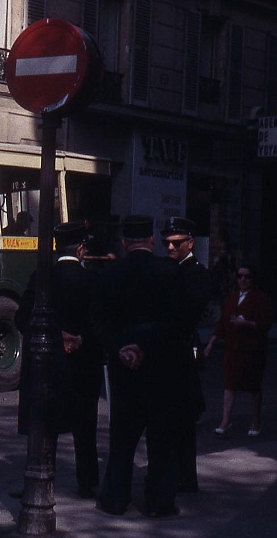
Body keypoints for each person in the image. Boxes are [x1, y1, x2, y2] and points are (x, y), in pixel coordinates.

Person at [97, 215, 184, 517]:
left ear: (123, 243)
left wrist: (121, 349)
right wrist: (145, 347)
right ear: (150, 240)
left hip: (125, 368)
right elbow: (176, 322)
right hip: (159, 365)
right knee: (161, 438)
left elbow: (100, 323)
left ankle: (115, 498)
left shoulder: (111, 273)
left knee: (122, 438)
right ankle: (160, 501)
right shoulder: (170, 271)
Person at [15, 221, 104, 498]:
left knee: (45, 423)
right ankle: (87, 482)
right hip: (81, 364)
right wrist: (79, 339)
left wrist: (56, 335)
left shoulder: (41, 278)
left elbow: (21, 318)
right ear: (81, 249)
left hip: (49, 365)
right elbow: (100, 324)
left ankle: (42, 476)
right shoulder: (92, 280)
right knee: (85, 425)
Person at [161, 217, 211, 492]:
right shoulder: (169, 269)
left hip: (182, 351)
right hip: (169, 352)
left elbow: (188, 313)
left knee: (183, 419)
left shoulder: (195, 272)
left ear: (190, 243)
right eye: (166, 241)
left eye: (176, 242)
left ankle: (185, 477)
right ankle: (173, 472)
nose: (170, 246)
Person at [204, 264, 272, 437]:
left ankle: (256, 420)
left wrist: (247, 323)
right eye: (240, 276)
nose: (242, 280)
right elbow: (222, 323)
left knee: (253, 386)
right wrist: (211, 342)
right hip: (232, 348)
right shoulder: (232, 297)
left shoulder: (261, 298)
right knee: (230, 385)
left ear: (253, 279)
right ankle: (225, 420)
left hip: (252, 349)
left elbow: (266, 324)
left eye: (246, 277)